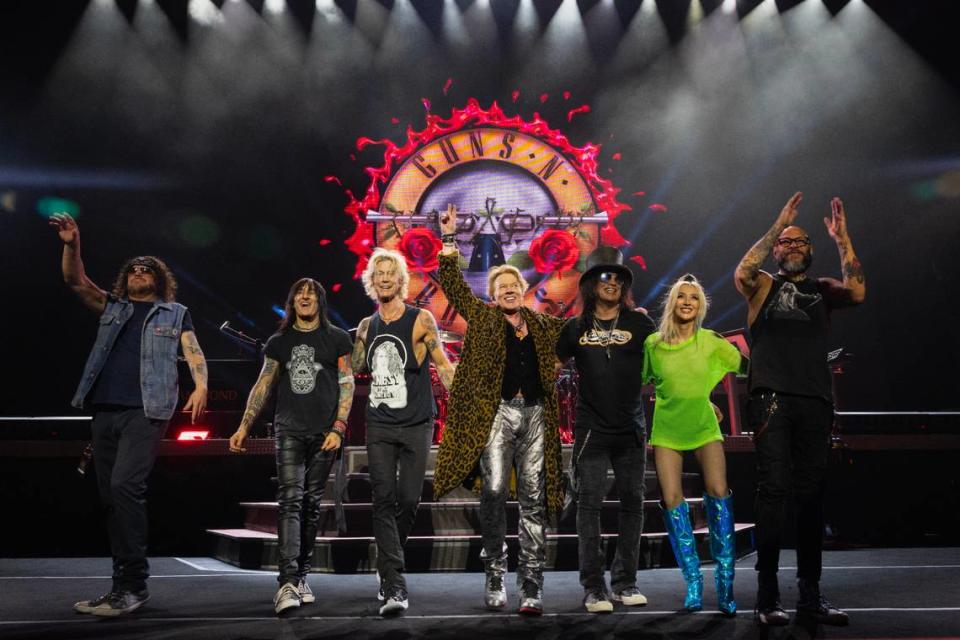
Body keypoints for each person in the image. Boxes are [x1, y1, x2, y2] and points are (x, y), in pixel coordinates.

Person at [50, 212, 208, 617]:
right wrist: (72, 244)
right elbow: (75, 281)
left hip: (147, 410)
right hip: (105, 409)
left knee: (124, 487)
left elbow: (191, 350)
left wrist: (201, 383)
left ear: (158, 279)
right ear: (126, 280)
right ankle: (121, 586)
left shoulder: (174, 313)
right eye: (133, 270)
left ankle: (135, 586)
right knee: (109, 498)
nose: (139, 272)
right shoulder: (112, 307)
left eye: (146, 269)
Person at [734, 192, 865, 626]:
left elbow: (859, 292)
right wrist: (779, 225)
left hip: (814, 399)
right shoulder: (763, 286)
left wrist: (842, 238)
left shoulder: (823, 289)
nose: (793, 247)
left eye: (800, 241)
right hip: (771, 397)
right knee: (773, 493)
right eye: (786, 243)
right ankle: (767, 596)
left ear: (811, 250)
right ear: (777, 250)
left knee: (811, 497)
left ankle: (810, 595)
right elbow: (743, 270)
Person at [432, 205, 567, 615]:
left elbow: (577, 337)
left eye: (514, 283)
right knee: (493, 491)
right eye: (501, 285)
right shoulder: (483, 318)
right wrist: (449, 240)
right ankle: (494, 571)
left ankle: (531, 585)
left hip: (537, 416)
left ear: (523, 289)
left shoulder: (543, 325)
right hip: (498, 414)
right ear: (492, 295)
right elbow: (454, 288)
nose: (508, 289)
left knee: (532, 498)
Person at [228, 278, 354, 615]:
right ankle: (285, 582)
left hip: (324, 434)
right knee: (290, 502)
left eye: (311, 294)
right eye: (299, 293)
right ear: (292, 301)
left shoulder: (338, 338)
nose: (305, 297)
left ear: (320, 302)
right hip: (289, 432)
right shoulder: (279, 342)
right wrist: (243, 426)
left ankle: (300, 576)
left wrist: (339, 427)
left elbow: (346, 384)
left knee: (311, 506)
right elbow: (263, 383)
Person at [351, 248, 455, 616]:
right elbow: (354, 368)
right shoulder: (366, 326)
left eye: (389, 273)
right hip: (379, 423)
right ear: (371, 281)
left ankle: (386, 564)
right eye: (377, 273)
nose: (383, 278)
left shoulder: (421, 319)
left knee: (408, 500)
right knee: (383, 499)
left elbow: (442, 366)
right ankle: (394, 583)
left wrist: (464, 404)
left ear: (400, 280)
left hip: (416, 423)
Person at [556, 246, 657, 613]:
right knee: (590, 506)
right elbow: (549, 368)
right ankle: (594, 587)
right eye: (604, 276)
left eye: (617, 276)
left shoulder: (641, 323)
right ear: (590, 284)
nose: (612, 281)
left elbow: (666, 362)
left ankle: (626, 582)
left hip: (630, 428)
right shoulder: (575, 328)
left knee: (633, 503)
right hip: (591, 431)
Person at [642, 274, 746, 616]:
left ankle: (726, 583)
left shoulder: (712, 341)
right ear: (672, 303)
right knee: (673, 502)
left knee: (719, 493)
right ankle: (693, 583)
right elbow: (638, 380)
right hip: (667, 430)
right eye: (682, 297)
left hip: (704, 428)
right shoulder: (653, 344)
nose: (687, 302)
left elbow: (748, 366)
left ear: (701, 306)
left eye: (694, 298)